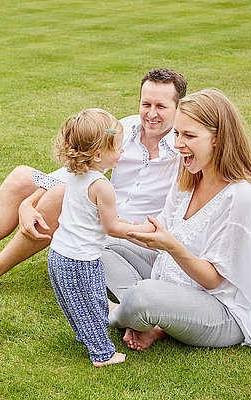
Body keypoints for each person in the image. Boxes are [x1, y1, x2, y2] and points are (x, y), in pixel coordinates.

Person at [0, 68, 188, 294]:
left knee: (58, 197)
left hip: (126, 233)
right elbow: (80, 168)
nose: (151, 113)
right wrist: (29, 202)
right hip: (100, 207)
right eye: (146, 103)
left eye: (161, 106)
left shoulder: (184, 147)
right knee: (21, 177)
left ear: (179, 107)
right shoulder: (122, 128)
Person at [107, 89, 251, 351]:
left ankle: (116, 312)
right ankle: (154, 316)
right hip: (172, 277)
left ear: (219, 139)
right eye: (177, 133)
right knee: (103, 243)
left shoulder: (243, 198)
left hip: (222, 309)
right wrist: (111, 226)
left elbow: (214, 280)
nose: (178, 144)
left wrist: (172, 246)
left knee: (142, 296)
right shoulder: (190, 173)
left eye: (189, 136)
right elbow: (161, 229)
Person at [48, 108, 155, 367]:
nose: (122, 152)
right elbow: (111, 228)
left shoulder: (76, 174)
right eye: (117, 147)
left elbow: (94, 216)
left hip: (58, 253)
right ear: (98, 155)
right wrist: (141, 232)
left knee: (74, 303)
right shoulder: (101, 186)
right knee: (94, 305)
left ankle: (83, 336)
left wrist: (121, 222)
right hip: (81, 260)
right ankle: (102, 354)